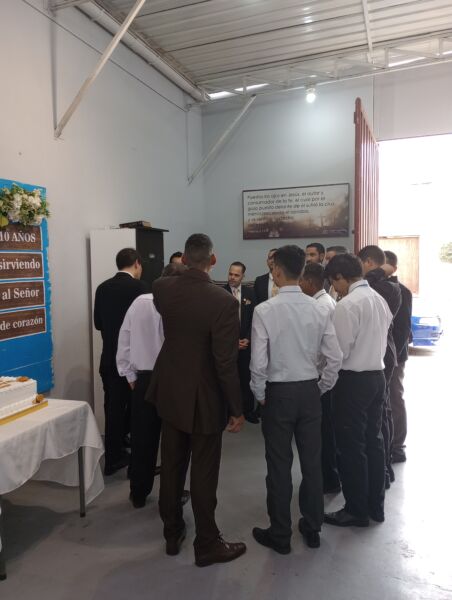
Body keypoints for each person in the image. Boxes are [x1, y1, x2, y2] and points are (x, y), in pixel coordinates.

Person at [147, 233, 246, 567]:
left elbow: (169, 280)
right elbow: (225, 362)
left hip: (170, 390)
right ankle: (207, 543)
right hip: (205, 397)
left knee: (172, 466)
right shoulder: (223, 302)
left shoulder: (162, 289)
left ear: (185, 258)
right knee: (204, 473)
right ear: (213, 261)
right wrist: (236, 408)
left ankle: (172, 532)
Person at [250, 246, 342, 553]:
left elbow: (258, 362)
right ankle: (312, 526)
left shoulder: (265, 310)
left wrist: (260, 394)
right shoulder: (320, 308)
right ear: (302, 271)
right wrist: (322, 387)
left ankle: (280, 535)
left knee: (278, 464)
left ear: (276, 271)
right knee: (312, 463)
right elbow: (335, 357)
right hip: (309, 392)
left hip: (278, 393)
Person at [324, 254, 392, 527]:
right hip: (377, 376)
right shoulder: (378, 299)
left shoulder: (348, 304)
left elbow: (339, 351)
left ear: (340, 277)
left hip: (353, 381)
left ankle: (355, 509)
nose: (335, 288)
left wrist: (324, 381)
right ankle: (376, 506)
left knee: (351, 447)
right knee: (374, 442)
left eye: (334, 282)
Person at [116, 262, 190, 508]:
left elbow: (124, 340)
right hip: (174, 380)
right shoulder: (182, 304)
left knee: (142, 439)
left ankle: (138, 492)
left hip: (144, 379)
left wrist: (129, 376)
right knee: (175, 443)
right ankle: (172, 494)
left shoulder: (140, 302)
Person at [94, 248, 148, 476]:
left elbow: (98, 323)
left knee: (112, 409)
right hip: (132, 361)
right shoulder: (141, 289)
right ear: (137, 264)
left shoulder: (102, 288)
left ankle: (113, 456)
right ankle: (130, 459)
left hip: (108, 358)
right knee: (135, 411)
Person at [357, 245, 401, 488]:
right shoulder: (385, 286)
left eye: (359, 264)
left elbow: (367, 280)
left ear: (368, 263)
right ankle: (383, 467)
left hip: (381, 356)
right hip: (382, 354)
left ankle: (382, 469)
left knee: (379, 417)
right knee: (380, 414)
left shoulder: (385, 287)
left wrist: (381, 270)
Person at [300, 263, 341, 494]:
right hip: (324, 375)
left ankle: (328, 479)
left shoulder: (321, 306)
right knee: (324, 432)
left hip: (322, 377)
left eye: (301, 280)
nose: (298, 285)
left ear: (309, 282)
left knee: (323, 434)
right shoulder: (324, 302)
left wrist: (321, 385)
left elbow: (324, 350)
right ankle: (329, 476)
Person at [384, 250, 413, 463]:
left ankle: (397, 446)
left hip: (395, 356)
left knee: (395, 398)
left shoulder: (402, 291)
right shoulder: (377, 289)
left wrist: (393, 358)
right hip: (380, 355)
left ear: (393, 268)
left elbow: (403, 329)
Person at [223, 261, 258, 423]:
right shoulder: (220, 293)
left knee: (246, 378)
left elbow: (255, 319)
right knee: (228, 379)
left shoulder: (250, 293)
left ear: (243, 276)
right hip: (226, 346)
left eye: (236, 275)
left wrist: (248, 339)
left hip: (246, 344)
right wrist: (231, 342)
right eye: (230, 274)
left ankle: (247, 410)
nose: (232, 277)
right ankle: (228, 411)